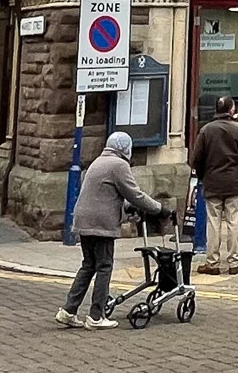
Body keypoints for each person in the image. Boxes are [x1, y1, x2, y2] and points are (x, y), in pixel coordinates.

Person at [57, 131, 167, 330]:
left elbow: (105, 195)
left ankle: (68, 310)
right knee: (104, 266)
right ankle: (96, 317)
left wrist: (125, 209)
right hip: (101, 224)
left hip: (84, 219)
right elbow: (135, 195)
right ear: (126, 148)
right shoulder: (119, 165)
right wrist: (159, 209)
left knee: (88, 265)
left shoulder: (98, 161)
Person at [190, 95, 238, 275]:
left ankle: (213, 262)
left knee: (213, 224)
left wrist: (203, 176)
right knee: (233, 222)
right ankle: (234, 262)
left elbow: (196, 160)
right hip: (234, 182)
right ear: (231, 110)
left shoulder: (206, 131)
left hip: (212, 182)